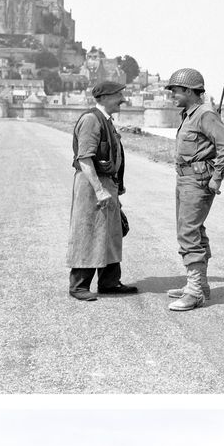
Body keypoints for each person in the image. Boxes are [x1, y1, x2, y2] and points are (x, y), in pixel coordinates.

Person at [164, 68, 224, 311]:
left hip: (197, 181)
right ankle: (200, 286)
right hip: (186, 179)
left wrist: (218, 177)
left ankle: (194, 291)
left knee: (188, 233)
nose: (172, 96)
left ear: (188, 91)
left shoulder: (204, 114)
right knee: (194, 229)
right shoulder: (189, 114)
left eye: (175, 91)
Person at [66, 81, 138, 301]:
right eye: (119, 95)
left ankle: (109, 283)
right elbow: (85, 157)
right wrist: (99, 189)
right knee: (88, 232)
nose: (123, 99)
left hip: (107, 184)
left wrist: (115, 186)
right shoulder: (91, 120)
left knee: (111, 234)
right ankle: (79, 286)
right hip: (92, 184)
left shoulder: (105, 120)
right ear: (105, 97)